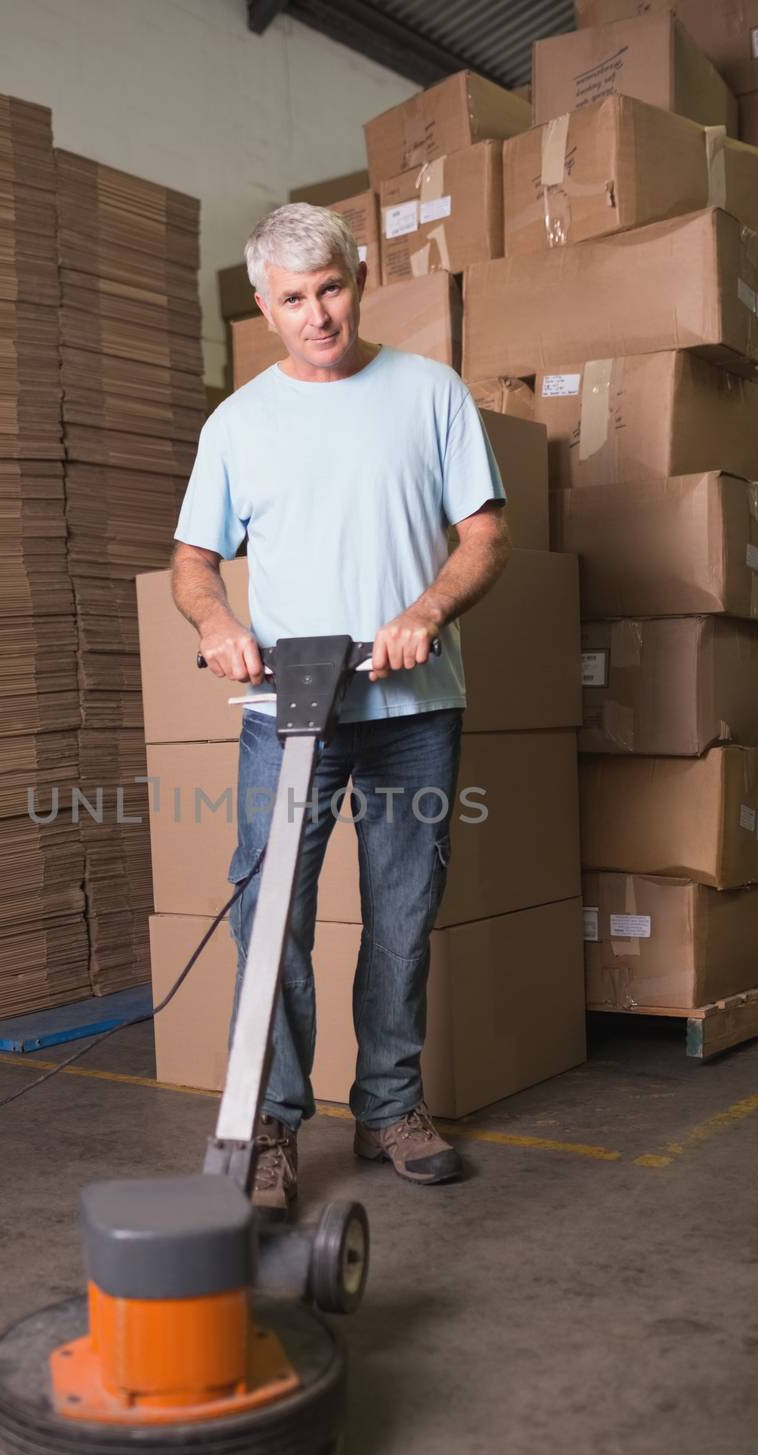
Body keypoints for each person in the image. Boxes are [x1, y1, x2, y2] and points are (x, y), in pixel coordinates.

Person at [170, 202, 509, 1218]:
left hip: (413, 704)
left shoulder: (429, 392)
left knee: (402, 914)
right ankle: (271, 1123)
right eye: (292, 299)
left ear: (356, 279)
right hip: (289, 709)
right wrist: (217, 624)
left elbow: (483, 536)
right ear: (264, 309)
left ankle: (390, 1108)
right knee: (271, 921)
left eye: (330, 288)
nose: (316, 314)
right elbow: (190, 563)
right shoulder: (236, 422)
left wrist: (425, 610)